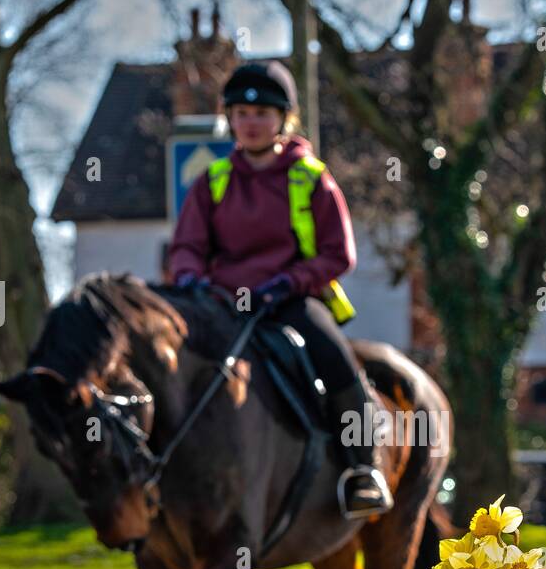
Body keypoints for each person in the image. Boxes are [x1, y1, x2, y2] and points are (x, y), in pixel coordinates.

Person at [165, 60, 393, 519]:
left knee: (336, 360)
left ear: (284, 120)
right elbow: (186, 245)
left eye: (262, 114)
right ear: (229, 118)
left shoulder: (310, 177)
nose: (251, 123)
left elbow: (337, 253)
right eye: (241, 114)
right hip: (221, 304)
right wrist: (189, 277)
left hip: (290, 300)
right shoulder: (212, 181)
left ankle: (363, 471)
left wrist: (288, 281)